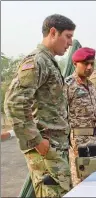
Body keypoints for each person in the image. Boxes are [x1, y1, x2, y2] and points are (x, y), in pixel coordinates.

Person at [4, 14, 75, 197]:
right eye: (67, 36)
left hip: (55, 146)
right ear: (53, 32)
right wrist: (36, 140)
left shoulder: (49, 62)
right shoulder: (37, 61)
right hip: (46, 147)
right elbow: (14, 103)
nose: (70, 42)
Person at [65, 47, 96, 187]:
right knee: (82, 182)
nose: (90, 67)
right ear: (75, 64)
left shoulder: (91, 85)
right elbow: (60, 113)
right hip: (79, 142)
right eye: (85, 63)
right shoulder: (68, 85)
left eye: (92, 63)